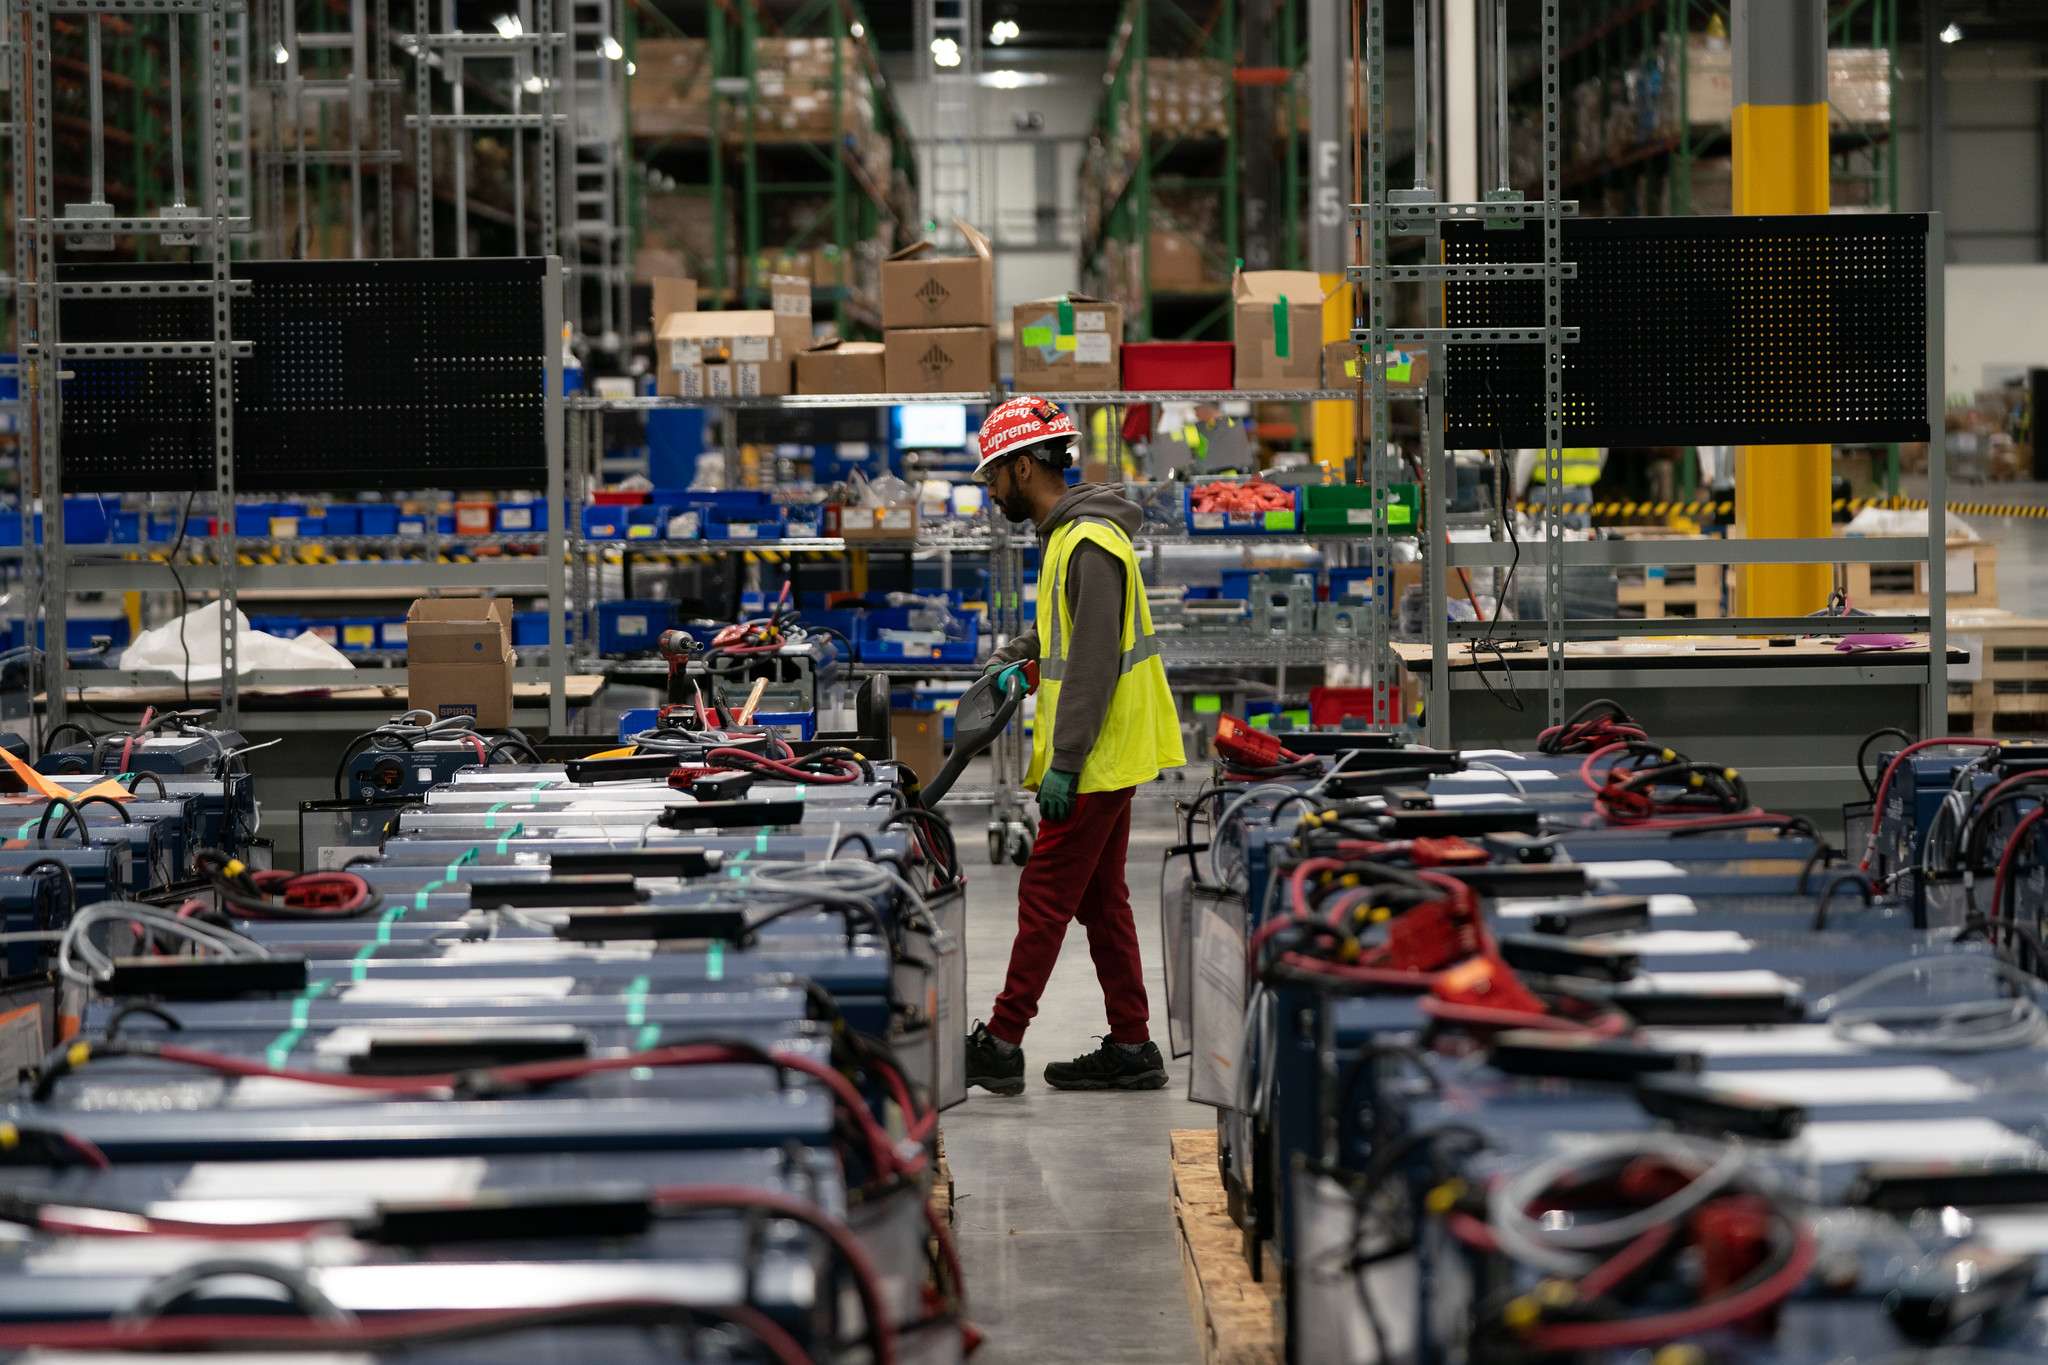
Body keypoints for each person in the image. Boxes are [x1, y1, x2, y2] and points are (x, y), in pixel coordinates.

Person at [963, 395, 1186, 1095]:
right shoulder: (1066, 535)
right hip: (1106, 752)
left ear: (1024, 467)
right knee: (1099, 898)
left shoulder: (1088, 542)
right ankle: (1132, 1044)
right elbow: (1066, 631)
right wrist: (1014, 655)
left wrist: (1064, 763)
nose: (990, 489)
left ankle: (1002, 1042)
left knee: (1045, 893)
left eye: (993, 475)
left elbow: (1090, 662)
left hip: (1094, 756)